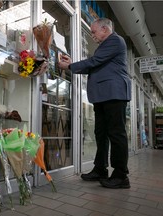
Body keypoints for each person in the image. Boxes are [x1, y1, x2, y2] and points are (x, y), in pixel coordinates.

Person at [58, 18, 131, 189]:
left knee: (116, 134)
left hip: (114, 94)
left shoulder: (115, 41)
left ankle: (121, 175)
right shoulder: (104, 46)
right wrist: (72, 65)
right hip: (103, 96)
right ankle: (100, 169)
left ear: (105, 29)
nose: (92, 36)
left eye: (93, 32)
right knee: (101, 133)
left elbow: (93, 63)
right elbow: (92, 65)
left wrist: (70, 67)